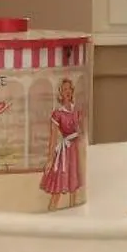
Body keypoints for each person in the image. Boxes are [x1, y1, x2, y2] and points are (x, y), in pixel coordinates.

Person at [41, 77, 85, 212]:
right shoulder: (57, 113)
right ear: (60, 92)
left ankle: (74, 212)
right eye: (64, 89)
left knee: (74, 185)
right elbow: (53, 138)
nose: (67, 92)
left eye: (69, 89)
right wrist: (50, 159)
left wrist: (80, 131)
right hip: (64, 152)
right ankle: (50, 213)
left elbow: (82, 133)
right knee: (59, 184)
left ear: (72, 91)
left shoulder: (77, 111)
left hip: (75, 151)